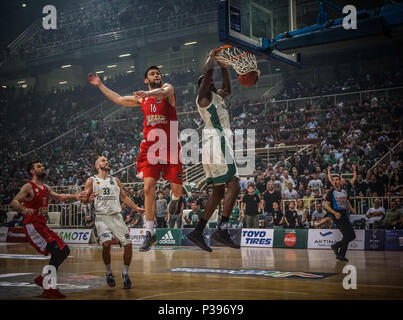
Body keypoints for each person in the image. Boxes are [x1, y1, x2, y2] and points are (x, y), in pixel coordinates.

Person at [88, 65, 183, 252]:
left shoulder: (167, 91)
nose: (157, 75)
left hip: (170, 144)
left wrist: (149, 94)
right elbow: (119, 99)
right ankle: (149, 231)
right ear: (146, 80)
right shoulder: (143, 99)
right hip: (151, 147)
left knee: (176, 188)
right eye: (152, 74)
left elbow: (166, 91)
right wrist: (100, 85)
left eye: (158, 73)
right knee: (148, 187)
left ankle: (176, 196)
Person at [186, 49, 240, 252]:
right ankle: (222, 230)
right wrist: (212, 58)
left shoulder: (218, 97)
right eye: (204, 82)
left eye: (209, 82)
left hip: (211, 146)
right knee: (234, 185)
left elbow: (227, 87)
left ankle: (198, 231)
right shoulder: (203, 99)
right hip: (218, 143)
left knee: (218, 191)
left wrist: (224, 68)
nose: (208, 83)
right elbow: (208, 75)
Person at [10, 161, 83, 298]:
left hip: (42, 226)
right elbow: (14, 201)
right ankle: (49, 287)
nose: (43, 167)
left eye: (43, 166)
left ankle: (43, 277)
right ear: (32, 171)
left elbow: (59, 196)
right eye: (39, 166)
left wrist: (75, 196)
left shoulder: (45, 187)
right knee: (56, 250)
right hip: (32, 225)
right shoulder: (28, 187)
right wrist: (25, 209)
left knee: (65, 250)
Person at [80, 157, 145, 289]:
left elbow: (124, 197)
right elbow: (84, 200)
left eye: (107, 160)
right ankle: (108, 272)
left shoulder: (115, 180)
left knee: (128, 245)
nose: (107, 162)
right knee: (107, 244)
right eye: (103, 161)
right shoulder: (92, 180)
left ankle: (125, 274)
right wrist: (87, 199)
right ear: (97, 165)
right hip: (101, 217)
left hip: (116, 217)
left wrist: (136, 208)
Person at [324, 175, 356, 262]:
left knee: (351, 236)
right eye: (333, 180)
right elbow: (326, 206)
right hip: (337, 215)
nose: (335, 181)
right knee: (348, 235)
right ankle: (340, 253)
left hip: (344, 214)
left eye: (337, 179)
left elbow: (346, 201)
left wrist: (351, 209)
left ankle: (337, 248)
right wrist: (335, 213)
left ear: (340, 181)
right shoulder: (331, 192)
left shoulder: (344, 191)